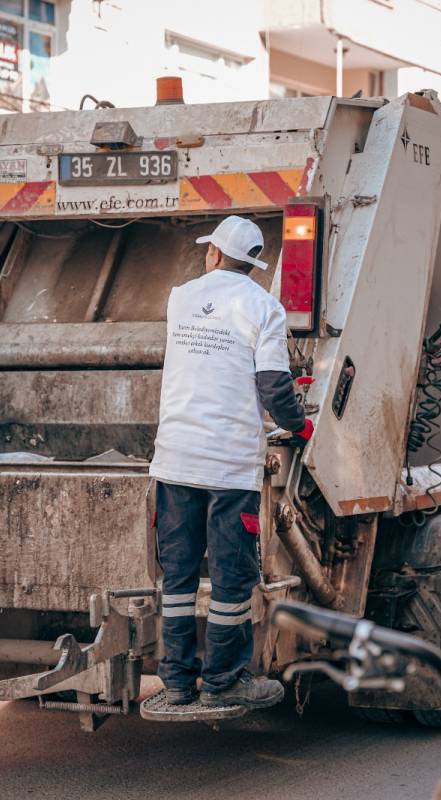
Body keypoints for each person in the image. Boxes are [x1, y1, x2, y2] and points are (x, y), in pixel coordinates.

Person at [150, 215, 312, 709]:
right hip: (228, 466)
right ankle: (223, 681)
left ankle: (177, 682)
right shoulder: (264, 307)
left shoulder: (179, 298)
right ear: (251, 264)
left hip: (174, 460)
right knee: (230, 579)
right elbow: (274, 387)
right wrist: (300, 425)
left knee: (178, 578)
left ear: (215, 253)